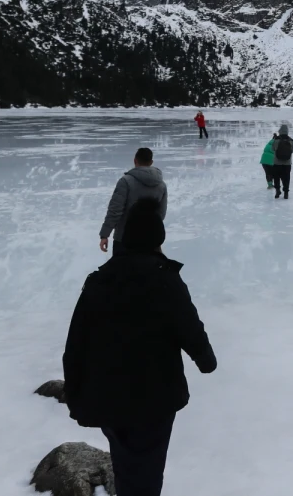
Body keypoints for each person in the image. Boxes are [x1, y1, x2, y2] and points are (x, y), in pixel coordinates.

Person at [64, 199, 217, 496]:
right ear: (157, 239)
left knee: (126, 460)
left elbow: (76, 342)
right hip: (154, 395)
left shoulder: (99, 281)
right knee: (146, 466)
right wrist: (206, 360)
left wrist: (75, 391)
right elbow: (188, 326)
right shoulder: (164, 279)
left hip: (108, 392)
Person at [100, 148, 168, 254]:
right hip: (150, 239)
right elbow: (161, 214)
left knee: (123, 269)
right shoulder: (161, 185)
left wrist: (105, 234)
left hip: (124, 239)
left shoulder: (126, 182)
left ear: (135, 160)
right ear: (151, 162)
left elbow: (115, 210)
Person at [273, 124, 293, 199]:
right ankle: (286, 193)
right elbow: (292, 150)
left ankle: (277, 190)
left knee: (276, 177)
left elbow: (273, 148)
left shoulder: (277, 139)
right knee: (286, 178)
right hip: (287, 163)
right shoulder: (290, 140)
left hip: (277, 163)